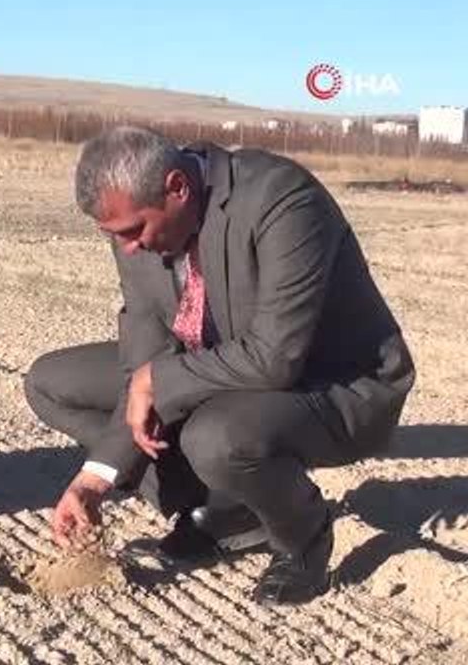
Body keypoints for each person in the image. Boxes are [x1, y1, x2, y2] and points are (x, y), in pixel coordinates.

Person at [24, 126, 414, 604]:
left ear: (177, 187)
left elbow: (276, 357)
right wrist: (94, 479)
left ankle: (304, 537)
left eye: (132, 232)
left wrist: (160, 379)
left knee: (214, 437)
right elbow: (145, 354)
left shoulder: (281, 199)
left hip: (333, 385)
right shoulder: (137, 226)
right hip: (220, 368)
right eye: (115, 235)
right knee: (51, 383)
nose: (128, 248)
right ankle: (227, 509)